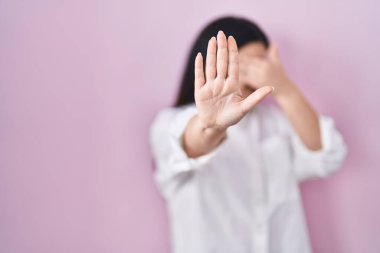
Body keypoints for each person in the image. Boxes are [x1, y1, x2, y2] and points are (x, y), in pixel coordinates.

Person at [149, 16, 347, 253]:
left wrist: (285, 89)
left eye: (262, 65)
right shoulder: (168, 124)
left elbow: (325, 156)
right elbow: (189, 146)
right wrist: (211, 125)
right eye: (245, 66)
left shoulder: (275, 123)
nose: (256, 77)